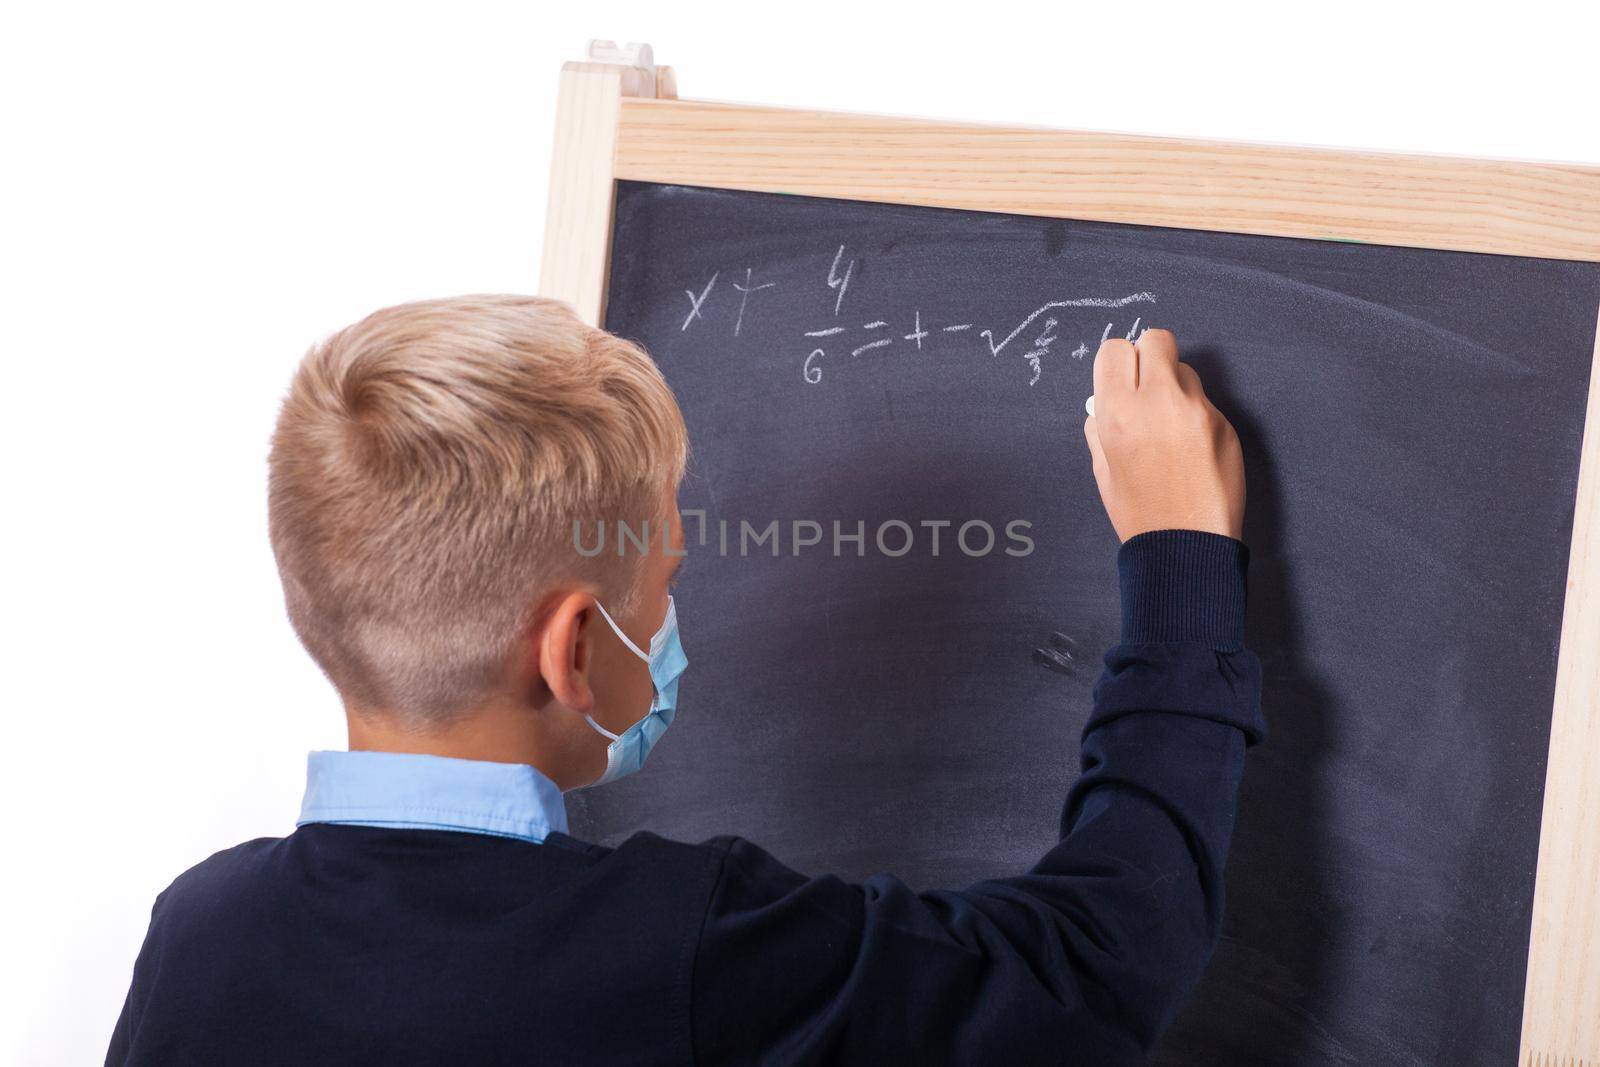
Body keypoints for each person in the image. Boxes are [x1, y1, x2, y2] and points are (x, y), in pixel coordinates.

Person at [106, 295, 1261, 1066]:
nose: (667, 619)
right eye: (658, 585)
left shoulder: (199, 932)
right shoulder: (688, 948)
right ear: (571, 650)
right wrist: (1181, 562)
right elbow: (1105, 950)